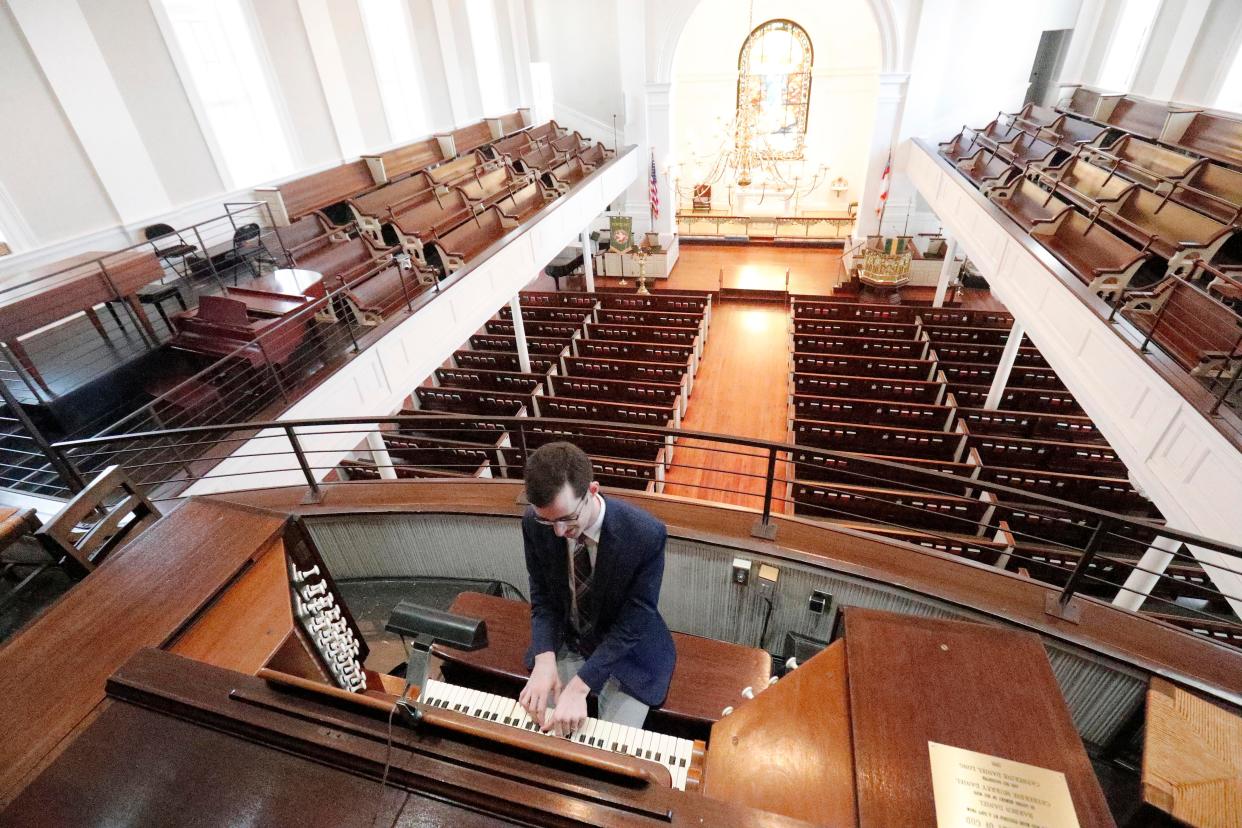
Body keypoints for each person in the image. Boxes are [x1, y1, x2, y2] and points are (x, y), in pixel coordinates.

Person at [517, 442, 676, 738]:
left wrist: (579, 686)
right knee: (542, 733)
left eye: (566, 519)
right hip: (571, 639)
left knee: (607, 750)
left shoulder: (645, 533)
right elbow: (543, 598)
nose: (559, 532)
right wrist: (544, 658)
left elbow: (635, 621)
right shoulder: (534, 522)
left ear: (592, 490)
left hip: (627, 653)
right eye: (548, 521)